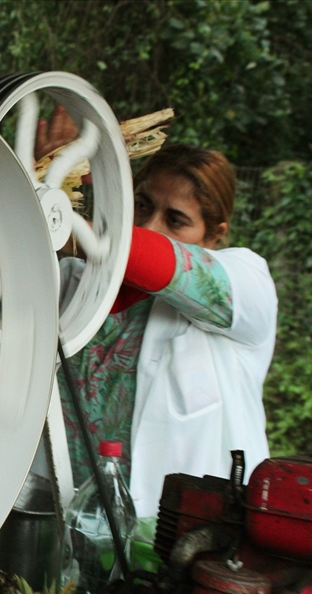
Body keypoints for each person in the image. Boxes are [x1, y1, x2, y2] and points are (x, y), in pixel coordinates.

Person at [47, 117, 278, 518]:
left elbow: (158, 262)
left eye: (175, 220)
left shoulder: (244, 282)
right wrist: (32, 185)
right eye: (142, 205)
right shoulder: (71, 281)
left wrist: (57, 215)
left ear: (214, 234)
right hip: (61, 522)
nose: (151, 226)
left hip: (185, 539)